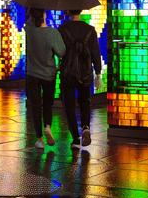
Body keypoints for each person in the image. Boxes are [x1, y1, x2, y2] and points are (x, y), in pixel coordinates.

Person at [59, 9, 103, 148]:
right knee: (85, 101)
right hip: (85, 72)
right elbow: (96, 53)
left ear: (69, 11)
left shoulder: (62, 29)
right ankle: (85, 127)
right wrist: (98, 73)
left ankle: (75, 138)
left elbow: (60, 51)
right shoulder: (90, 30)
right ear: (80, 11)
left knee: (69, 104)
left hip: (68, 72)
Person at [25, 8, 66, 149]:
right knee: (48, 103)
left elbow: (30, 21)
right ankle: (47, 126)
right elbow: (61, 52)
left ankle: (39, 139)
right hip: (49, 74)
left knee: (35, 106)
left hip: (32, 74)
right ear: (44, 15)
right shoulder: (52, 33)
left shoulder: (29, 31)